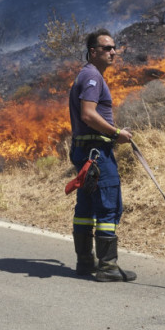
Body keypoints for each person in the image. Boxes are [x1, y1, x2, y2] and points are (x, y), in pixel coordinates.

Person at [68, 29, 137, 282]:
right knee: (108, 205)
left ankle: (85, 262)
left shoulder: (87, 75)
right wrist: (116, 132)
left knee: (86, 207)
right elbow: (88, 114)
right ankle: (107, 267)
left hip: (85, 151)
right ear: (92, 51)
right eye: (107, 48)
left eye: (114, 48)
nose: (113, 52)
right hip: (96, 153)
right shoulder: (92, 77)